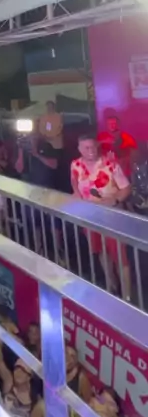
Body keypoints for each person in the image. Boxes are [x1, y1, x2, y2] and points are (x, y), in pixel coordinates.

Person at [71, 134, 132, 298]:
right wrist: (76, 193)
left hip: (112, 217)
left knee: (120, 257)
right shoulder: (75, 164)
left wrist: (115, 199)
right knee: (101, 251)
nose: (91, 150)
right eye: (86, 148)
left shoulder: (110, 164)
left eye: (93, 146)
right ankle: (112, 285)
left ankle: (127, 298)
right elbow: (74, 181)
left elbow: (126, 188)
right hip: (90, 217)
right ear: (79, 149)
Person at [98, 111, 137, 178]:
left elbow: (135, 154)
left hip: (124, 172)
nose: (112, 126)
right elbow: (93, 149)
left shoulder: (127, 137)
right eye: (110, 124)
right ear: (106, 125)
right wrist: (104, 142)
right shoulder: (101, 137)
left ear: (118, 124)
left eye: (114, 123)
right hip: (106, 172)